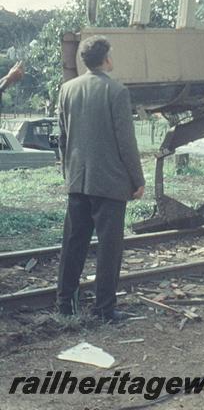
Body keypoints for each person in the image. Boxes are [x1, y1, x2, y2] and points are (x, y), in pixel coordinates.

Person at [56, 35, 145, 323]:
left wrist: (68, 172)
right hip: (110, 183)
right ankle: (104, 309)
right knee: (109, 248)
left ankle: (65, 305)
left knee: (73, 243)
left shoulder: (67, 89)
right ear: (105, 58)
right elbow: (126, 142)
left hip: (78, 180)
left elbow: (63, 138)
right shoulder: (116, 91)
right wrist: (137, 179)